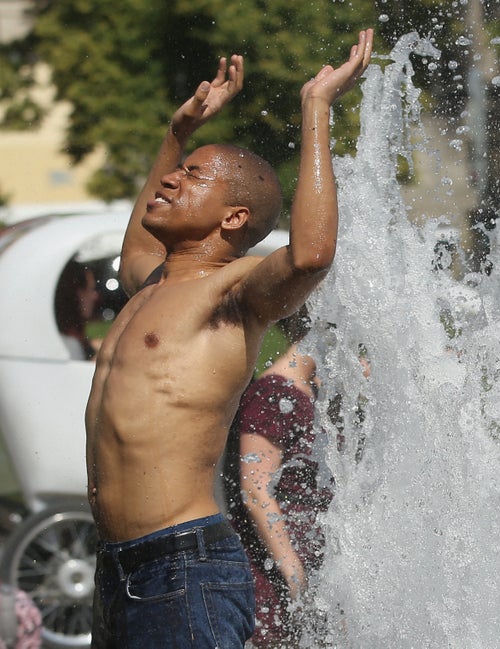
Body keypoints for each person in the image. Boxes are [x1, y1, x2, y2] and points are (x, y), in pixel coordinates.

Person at [84, 29, 374, 649]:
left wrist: (316, 108)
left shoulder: (232, 294)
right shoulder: (151, 282)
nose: (169, 182)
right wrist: (175, 134)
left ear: (234, 218)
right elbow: (137, 241)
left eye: (190, 178)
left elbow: (311, 254)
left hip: (181, 565)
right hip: (117, 567)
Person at [223, 310, 330, 648]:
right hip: (273, 575)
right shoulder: (272, 395)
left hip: (306, 567)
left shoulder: (311, 393)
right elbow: (255, 491)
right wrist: (294, 573)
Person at [54, 259, 101, 360]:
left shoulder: (67, 339)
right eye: (90, 289)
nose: (95, 296)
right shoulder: (69, 345)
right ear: (75, 293)